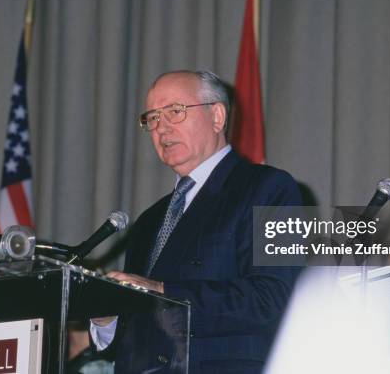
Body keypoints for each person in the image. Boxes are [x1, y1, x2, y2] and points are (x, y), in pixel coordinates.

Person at [90, 70, 302, 373]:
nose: (161, 128)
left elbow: (272, 298)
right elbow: (139, 324)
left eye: (174, 112)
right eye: (152, 118)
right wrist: (107, 317)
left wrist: (163, 291)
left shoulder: (269, 188)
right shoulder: (150, 220)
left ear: (216, 116)